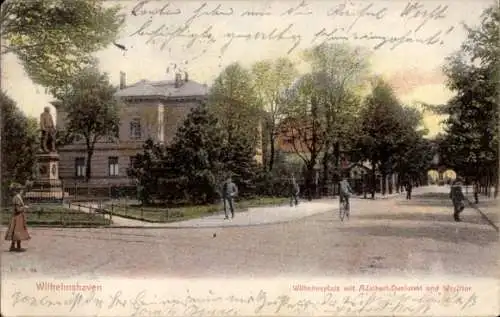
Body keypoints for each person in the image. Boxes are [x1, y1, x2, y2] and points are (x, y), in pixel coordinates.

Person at [4, 183, 31, 252]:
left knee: (17, 232)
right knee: (17, 232)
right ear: (19, 191)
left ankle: (15, 246)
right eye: (21, 190)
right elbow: (18, 209)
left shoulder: (18, 197)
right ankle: (16, 247)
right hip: (17, 217)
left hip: (18, 217)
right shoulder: (16, 198)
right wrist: (24, 207)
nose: (22, 191)